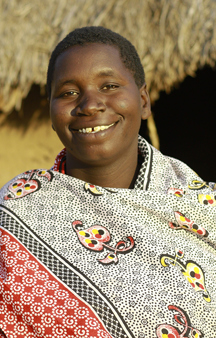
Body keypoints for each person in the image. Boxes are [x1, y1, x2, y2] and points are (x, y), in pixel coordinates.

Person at [0, 26, 215, 338]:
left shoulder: (201, 206)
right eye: (68, 92)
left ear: (143, 101)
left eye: (109, 86)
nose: (89, 105)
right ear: (51, 113)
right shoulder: (16, 216)